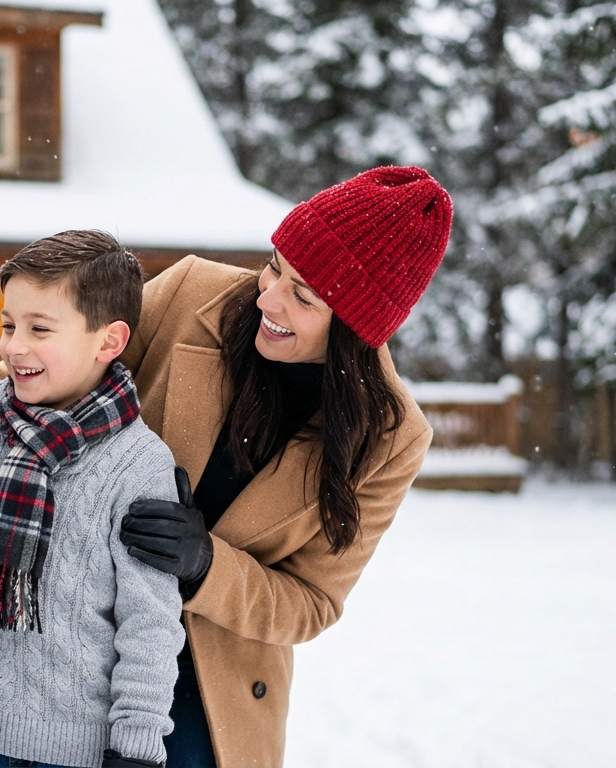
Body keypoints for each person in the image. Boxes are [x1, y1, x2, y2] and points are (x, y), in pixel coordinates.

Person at [115, 166, 451, 766]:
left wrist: (206, 568)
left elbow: (312, 601)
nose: (267, 296)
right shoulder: (191, 293)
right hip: (87, 624)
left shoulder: (392, 438)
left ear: (354, 329)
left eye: (304, 296)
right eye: (275, 265)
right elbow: (49, 374)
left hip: (209, 682)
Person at [0, 231, 185, 768]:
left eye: (40, 329)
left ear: (109, 342)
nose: (14, 346)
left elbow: (150, 624)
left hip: (76, 751)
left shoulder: (139, 464)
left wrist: (135, 747)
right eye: (8, 325)